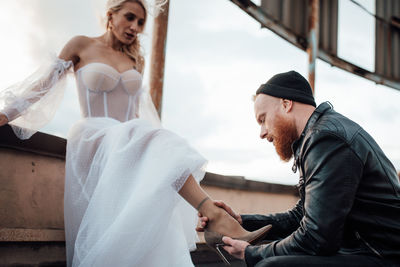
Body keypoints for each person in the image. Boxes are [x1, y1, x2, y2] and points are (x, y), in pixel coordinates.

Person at [0, 0, 271, 266]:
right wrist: (6, 114)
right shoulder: (80, 44)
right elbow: (43, 84)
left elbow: (139, 116)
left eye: (141, 22)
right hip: (94, 136)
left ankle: (212, 215)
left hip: (126, 139)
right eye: (130, 17)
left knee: (154, 153)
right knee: (151, 138)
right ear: (111, 14)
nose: (135, 27)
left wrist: (157, 154)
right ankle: (214, 214)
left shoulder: (133, 59)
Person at [198, 71, 400, 266]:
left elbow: (317, 238)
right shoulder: (318, 136)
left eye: (263, 119)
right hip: (367, 251)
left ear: (286, 104)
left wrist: (251, 253)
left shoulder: (327, 139)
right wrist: (241, 221)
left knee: (270, 265)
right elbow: (300, 217)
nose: (262, 132)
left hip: (383, 255)